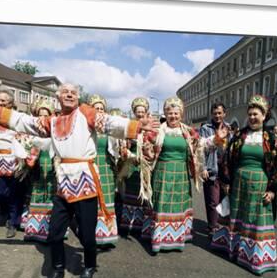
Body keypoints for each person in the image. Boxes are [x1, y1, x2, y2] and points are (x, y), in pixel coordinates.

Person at [0, 83, 158, 278]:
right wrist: (2, 112)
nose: (70, 95)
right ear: (58, 97)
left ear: (78, 97)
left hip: (85, 181)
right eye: (65, 92)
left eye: (73, 92)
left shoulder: (85, 113)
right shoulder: (52, 121)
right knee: (54, 233)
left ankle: (89, 265)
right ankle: (57, 269)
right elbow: (27, 122)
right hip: (63, 183)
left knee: (88, 233)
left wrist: (134, 125)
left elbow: (108, 122)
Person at [211, 95, 277, 275]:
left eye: (256, 114)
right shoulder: (239, 135)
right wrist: (227, 182)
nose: (252, 117)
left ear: (264, 115)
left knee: (255, 219)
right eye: (250, 114)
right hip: (238, 184)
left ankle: (255, 258)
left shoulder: (271, 138)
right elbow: (228, 159)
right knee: (237, 217)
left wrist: (273, 190)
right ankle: (235, 250)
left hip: (260, 185)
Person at [147, 97, 227, 253]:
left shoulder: (188, 131)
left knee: (179, 205)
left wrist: (216, 138)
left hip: (181, 175)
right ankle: (160, 239)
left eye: (176, 113)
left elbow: (201, 145)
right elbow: (147, 148)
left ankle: (176, 238)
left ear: (181, 114)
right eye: (170, 113)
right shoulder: (158, 131)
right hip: (162, 175)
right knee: (162, 205)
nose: (173, 116)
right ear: (165, 114)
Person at [0, 88, 29, 238]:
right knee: (0, 192)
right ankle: (9, 214)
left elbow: (25, 138)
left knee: (14, 193)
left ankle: (13, 222)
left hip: (14, 160)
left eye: (4, 100)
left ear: (11, 103)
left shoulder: (17, 118)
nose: (0, 102)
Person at [117, 97, 156, 238]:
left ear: (146, 112)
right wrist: (130, 154)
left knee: (144, 196)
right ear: (134, 112)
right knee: (130, 195)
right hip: (131, 167)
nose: (140, 114)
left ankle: (143, 226)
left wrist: (149, 152)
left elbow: (155, 148)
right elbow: (122, 148)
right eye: (137, 111)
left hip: (145, 169)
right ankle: (129, 224)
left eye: (142, 111)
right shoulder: (129, 129)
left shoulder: (152, 130)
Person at [23, 100, 56, 242]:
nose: (42, 118)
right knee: (36, 193)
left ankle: (51, 230)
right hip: (37, 166)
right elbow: (26, 145)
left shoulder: (55, 130)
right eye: (39, 115)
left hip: (51, 166)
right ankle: (35, 230)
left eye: (46, 115)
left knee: (51, 194)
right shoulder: (32, 131)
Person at [88, 94, 119, 247]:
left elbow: (115, 149)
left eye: (101, 108)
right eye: (96, 108)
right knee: (91, 200)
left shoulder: (109, 128)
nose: (99, 111)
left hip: (106, 167)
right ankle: (91, 233)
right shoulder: (86, 126)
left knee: (106, 200)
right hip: (90, 166)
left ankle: (107, 234)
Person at [199, 103, 230, 234]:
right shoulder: (206, 128)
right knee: (212, 200)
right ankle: (212, 228)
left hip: (225, 170)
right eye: (215, 113)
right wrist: (203, 167)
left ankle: (222, 227)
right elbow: (200, 149)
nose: (217, 115)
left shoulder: (228, 128)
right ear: (212, 114)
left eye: (219, 113)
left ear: (224, 114)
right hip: (211, 169)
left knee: (224, 200)